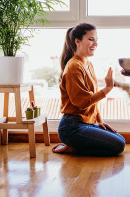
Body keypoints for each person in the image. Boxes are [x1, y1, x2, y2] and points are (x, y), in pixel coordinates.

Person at [52, 23, 125, 156]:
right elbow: (82, 102)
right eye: (91, 39)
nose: (95, 44)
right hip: (71, 127)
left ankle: (74, 145)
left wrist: (99, 120)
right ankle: (72, 148)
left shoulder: (87, 64)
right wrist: (108, 88)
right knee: (118, 145)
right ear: (77, 41)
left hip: (86, 123)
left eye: (96, 40)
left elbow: (92, 100)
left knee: (121, 140)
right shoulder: (74, 66)